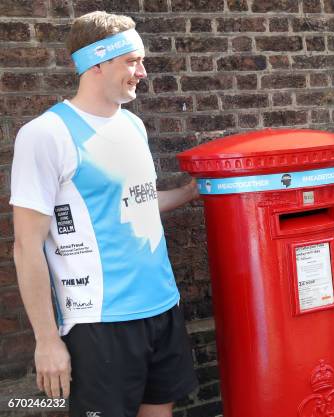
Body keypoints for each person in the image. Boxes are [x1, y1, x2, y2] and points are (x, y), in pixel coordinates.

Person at [10, 11, 199, 417]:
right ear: (95, 63)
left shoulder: (133, 125)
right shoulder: (46, 134)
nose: (143, 72)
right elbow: (27, 246)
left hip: (162, 305)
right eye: (132, 61)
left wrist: (189, 191)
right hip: (100, 321)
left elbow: (137, 202)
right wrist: (46, 339)